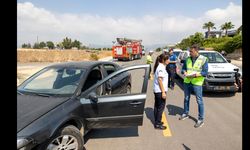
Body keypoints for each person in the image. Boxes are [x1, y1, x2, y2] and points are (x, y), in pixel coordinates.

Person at [179, 44, 208, 128]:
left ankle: (201, 119)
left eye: (191, 51)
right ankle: (185, 113)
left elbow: (205, 72)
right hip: (187, 81)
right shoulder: (187, 59)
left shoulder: (203, 59)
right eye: (189, 51)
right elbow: (183, 69)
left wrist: (195, 75)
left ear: (196, 51)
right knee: (186, 98)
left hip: (197, 83)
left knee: (199, 101)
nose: (189, 53)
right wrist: (184, 72)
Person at [153, 53, 170, 130]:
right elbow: (160, 80)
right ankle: (158, 123)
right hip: (160, 91)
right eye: (168, 59)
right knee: (160, 107)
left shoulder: (161, 66)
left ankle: (157, 121)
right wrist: (163, 92)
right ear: (163, 60)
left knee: (157, 106)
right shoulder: (161, 68)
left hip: (157, 90)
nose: (169, 61)